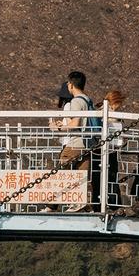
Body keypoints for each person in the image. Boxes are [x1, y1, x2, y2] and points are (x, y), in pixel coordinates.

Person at [48, 71, 94, 211]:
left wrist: (59, 128)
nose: (67, 85)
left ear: (72, 84)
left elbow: (75, 124)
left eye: (68, 83)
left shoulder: (75, 101)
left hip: (75, 143)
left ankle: (55, 205)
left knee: (62, 174)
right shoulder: (87, 99)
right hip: (87, 143)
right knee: (83, 175)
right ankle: (85, 205)